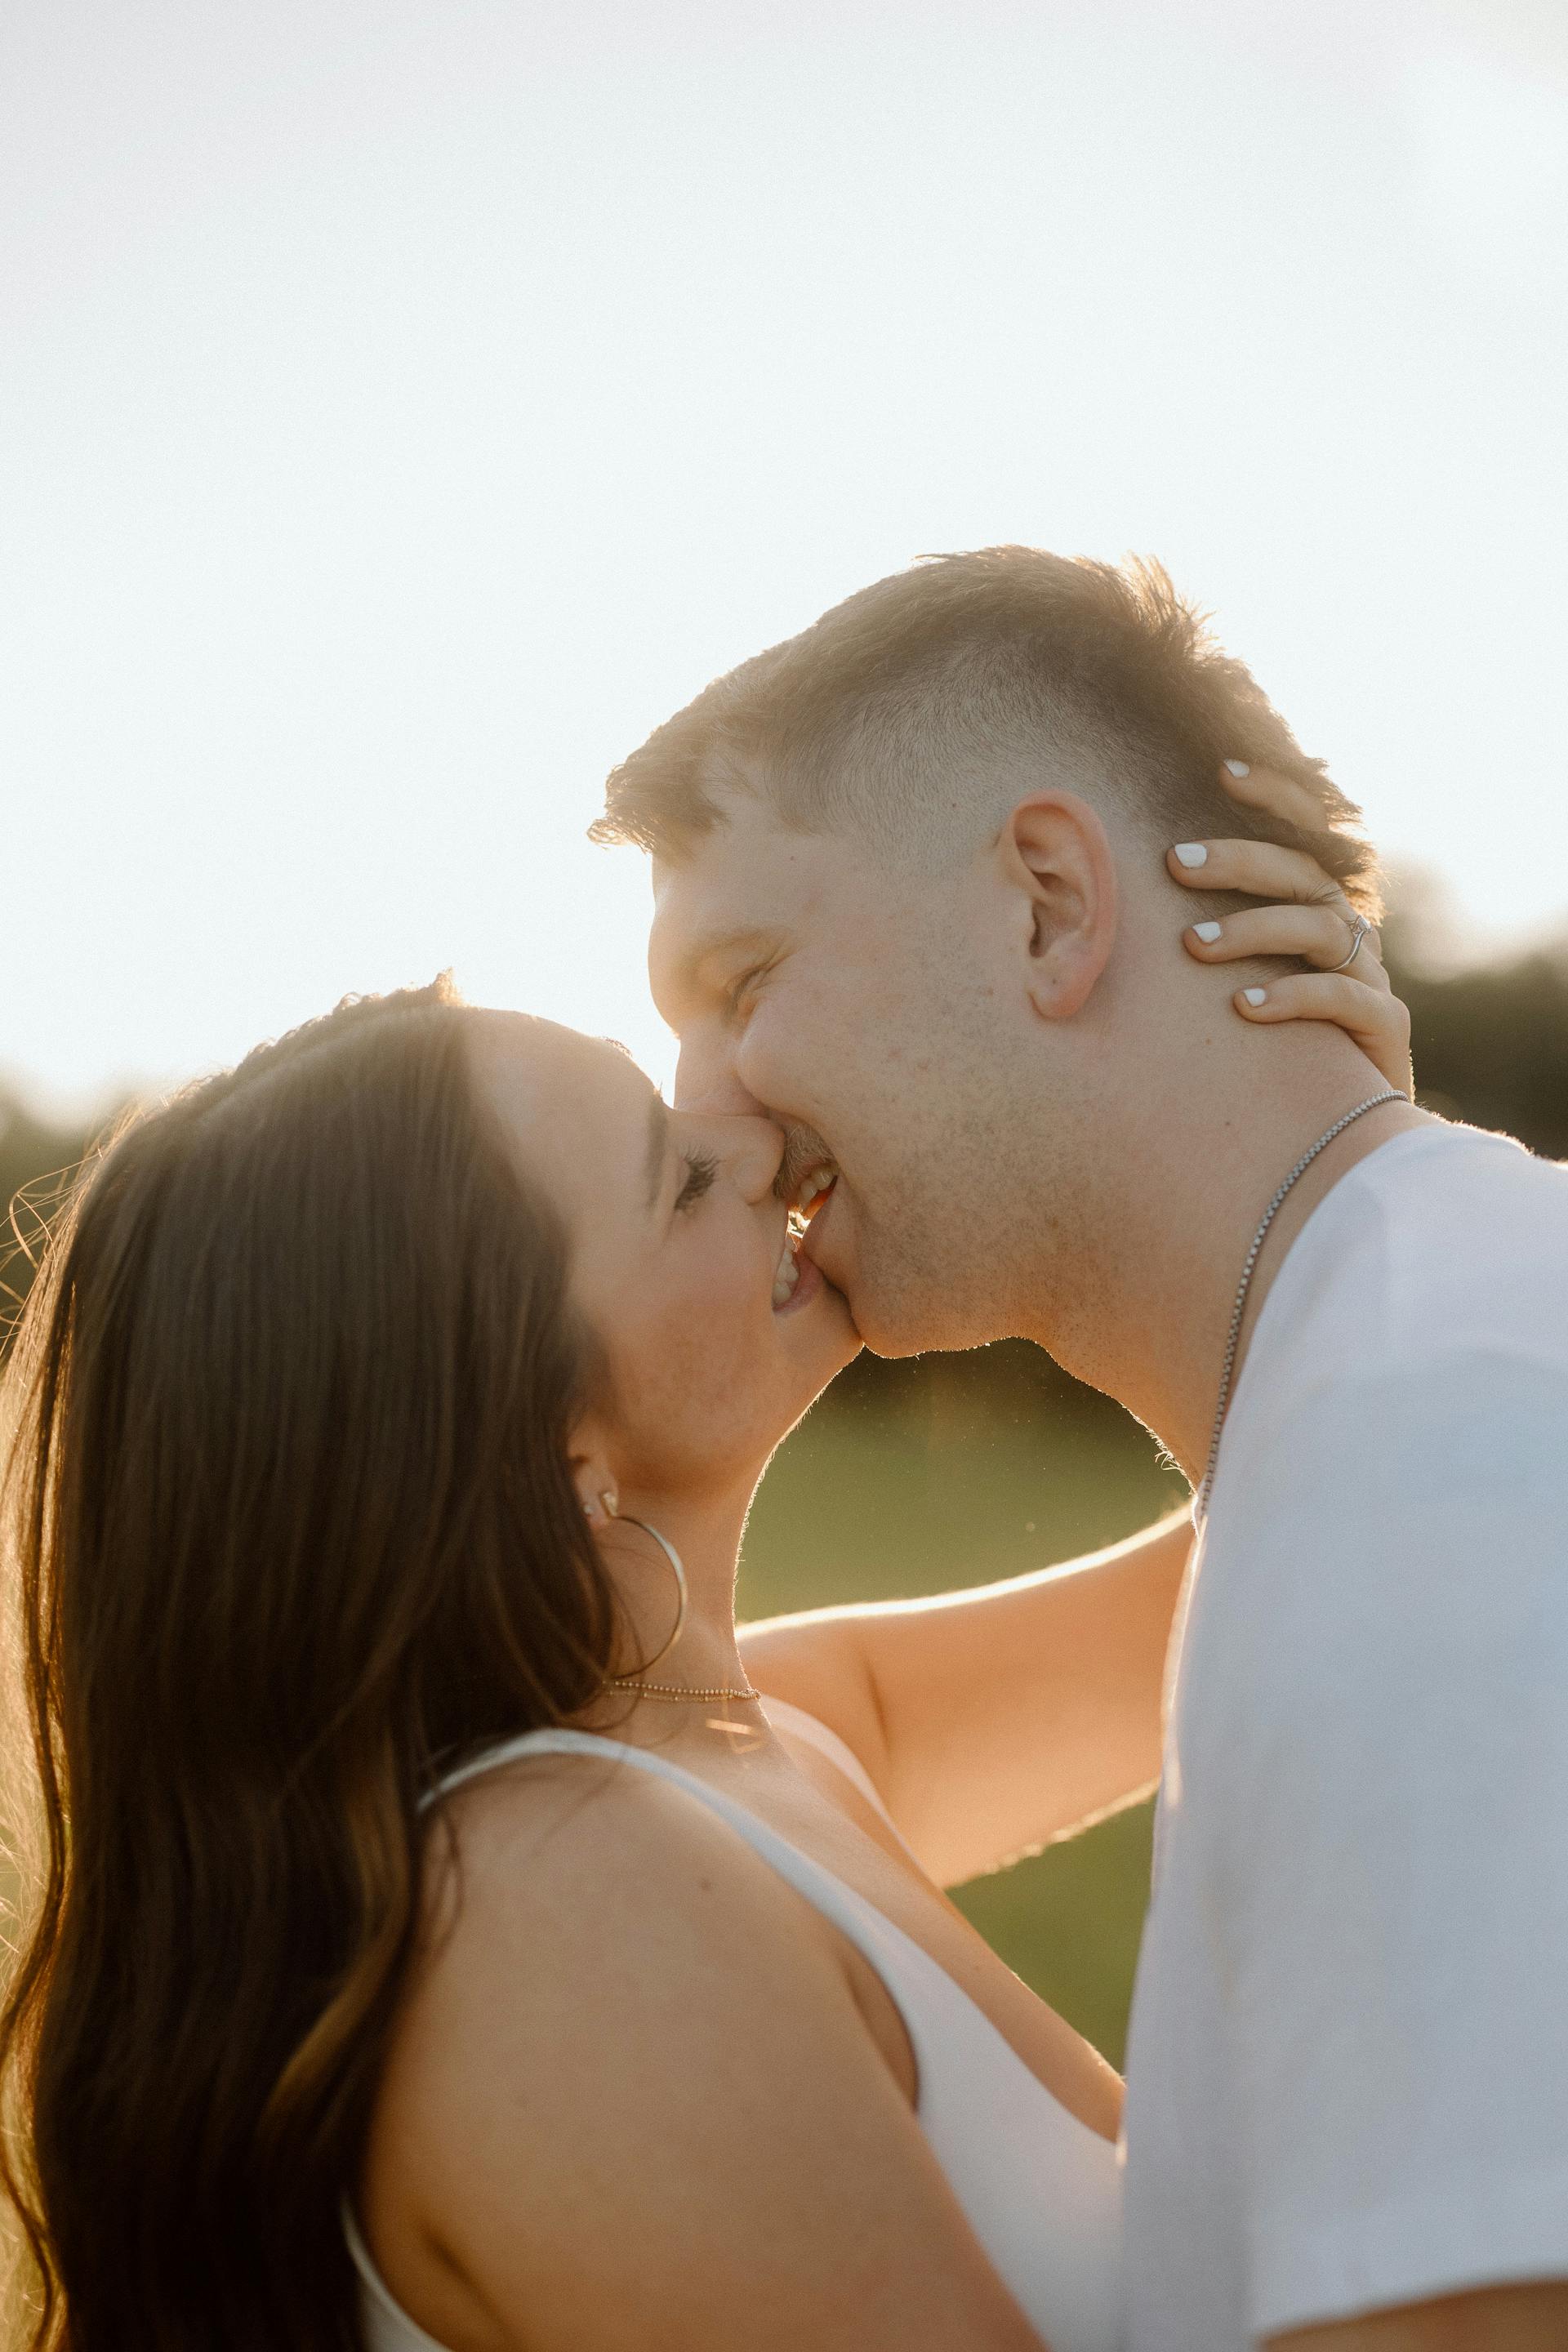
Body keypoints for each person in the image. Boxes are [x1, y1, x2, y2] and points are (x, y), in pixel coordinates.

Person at [0, 836, 1400, 2352]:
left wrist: (1330, 1149)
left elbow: (1318, 1517)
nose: (759, 1141)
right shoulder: (556, 1907)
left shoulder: (760, 1741)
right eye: (677, 1176)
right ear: (550, 1453)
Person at [595, 547, 1568, 2352]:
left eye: (740, 978)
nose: (710, 1105)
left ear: (1047, 903)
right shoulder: (1391, 1404)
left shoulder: (1424, 1458)